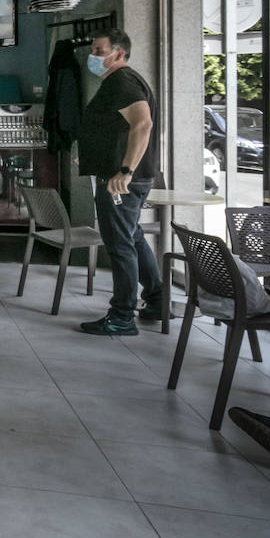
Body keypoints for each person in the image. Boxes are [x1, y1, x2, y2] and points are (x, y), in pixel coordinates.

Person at [76, 28, 161, 336]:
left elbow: (143, 124)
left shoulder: (122, 82)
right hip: (122, 176)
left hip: (121, 181)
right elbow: (117, 129)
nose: (93, 56)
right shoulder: (123, 81)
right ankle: (158, 299)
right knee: (133, 237)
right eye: (93, 50)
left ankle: (122, 315)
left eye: (99, 51)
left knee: (119, 244)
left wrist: (125, 171)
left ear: (119, 53)